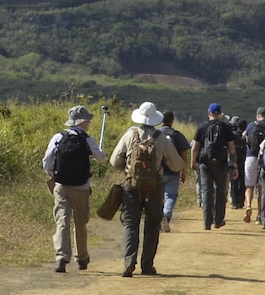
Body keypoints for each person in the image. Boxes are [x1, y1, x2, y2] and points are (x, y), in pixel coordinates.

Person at [107, 101, 184, 276]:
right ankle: (147, 265)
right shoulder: (162, 139)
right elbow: (177, 164)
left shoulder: (129, 135)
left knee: (130, 224)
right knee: (152, 224)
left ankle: (129, 261)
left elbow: (114, 161)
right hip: (154, 186)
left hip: (130, 185)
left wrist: (127, 170)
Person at [42, 103, 105, 271]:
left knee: (62, 221)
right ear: (83, 122)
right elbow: (101, 158)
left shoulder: (58, 137)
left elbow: (46, 161)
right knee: (80, 223)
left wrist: (54, 175)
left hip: (61, 185)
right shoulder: (87, 139)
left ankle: (61, 258)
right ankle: (82, 258)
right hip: (81, 187)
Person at [191, 102, 234, 230]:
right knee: (221, 191)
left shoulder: (202, 127)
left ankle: (207, 222)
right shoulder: (225, 127)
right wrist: (234, 165)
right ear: (220, 113)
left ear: (208, 112)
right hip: (220, 164)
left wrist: (193, 161)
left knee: (207, 191)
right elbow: (232, 149)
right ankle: (218, 220)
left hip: (205, 163)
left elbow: (195, 147)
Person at [159, 110, 191, 227]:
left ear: (161, 120)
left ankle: (158, 217)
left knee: (158, 195)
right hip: (173, 170)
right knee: (171, 195)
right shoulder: (177, 135)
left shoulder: (155, 134)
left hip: (158, 171)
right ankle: (166, 215)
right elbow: (184, 155)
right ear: (172, 121)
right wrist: (184, 171)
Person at [242, 109, 265, 223]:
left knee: (249, 186)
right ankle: (260, 215)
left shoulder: (250, 125)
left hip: (250, 157)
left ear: (257, 115)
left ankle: (248, 205)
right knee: (261, 189)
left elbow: (245, 137)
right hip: (264, 159)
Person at [226, 117, 247, 214]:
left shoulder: (231, 136)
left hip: (232, 161)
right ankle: (241, 202)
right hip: (243, 161)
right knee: (242, 181)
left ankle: (234, 202)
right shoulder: (243, 137)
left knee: (233, 180)